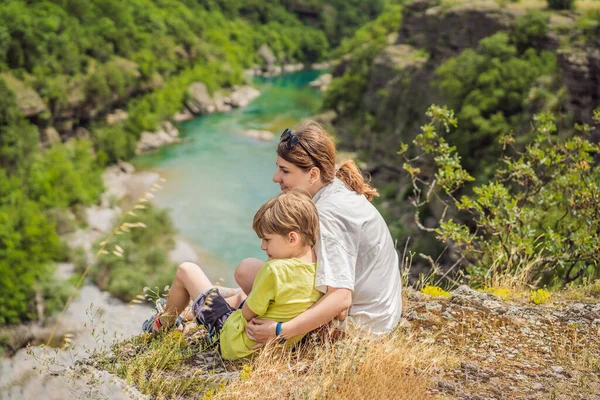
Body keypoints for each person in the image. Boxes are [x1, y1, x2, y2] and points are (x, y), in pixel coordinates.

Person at [235, 121, 402, 344]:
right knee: (258, 276)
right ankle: (234, 300)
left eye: (285, 171)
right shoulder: (336, 187)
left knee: (248, 272)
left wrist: (280, 330)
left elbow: (341, 297)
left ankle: (231, 304)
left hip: (361, 331)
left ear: (313, 174)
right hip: (381, 318)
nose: (276, 177)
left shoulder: (328, 214)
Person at [142, 189, 322, 360]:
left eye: (267, 240)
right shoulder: (319, 272)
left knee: (187, 270)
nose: (263, 247)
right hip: (270, 349)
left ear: (292, 238)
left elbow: (248, 312)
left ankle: (165, 322)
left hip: (231, 339)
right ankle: (186, 314)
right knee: (235, 293)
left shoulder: (274, 270)